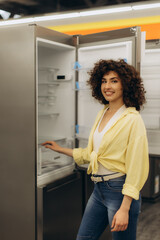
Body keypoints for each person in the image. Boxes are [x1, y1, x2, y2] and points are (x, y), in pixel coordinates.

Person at [42, 59, 149, 240]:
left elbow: (137, 166)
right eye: (104, 81)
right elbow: (91, 155)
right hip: (99, 189)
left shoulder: (132, 119)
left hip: (119, 190)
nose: (107, 86)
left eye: (114, 81)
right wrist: (60, 149)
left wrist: (125, 208)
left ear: (125, 84)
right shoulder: (103, 113)